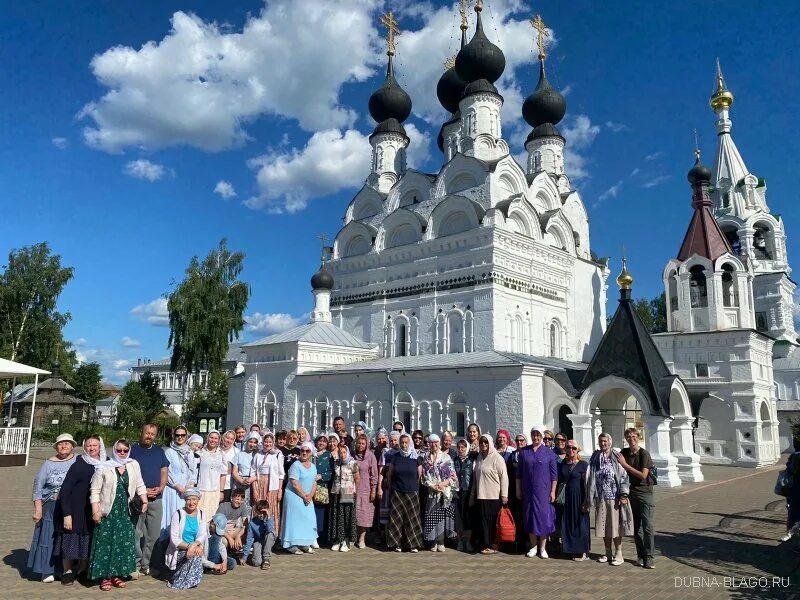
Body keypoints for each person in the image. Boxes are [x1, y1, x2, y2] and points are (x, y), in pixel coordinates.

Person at [89, 439, 148, 591]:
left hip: (125, 512)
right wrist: (95, 511)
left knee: (122, 543)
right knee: (106, 544)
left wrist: (144, 500)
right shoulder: (104, 467)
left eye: (125, 450)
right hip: (108, 511)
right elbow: (95, 491)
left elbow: (140, 483)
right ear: (114, 450)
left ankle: (117, 574)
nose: (122, 453)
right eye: (119, 450)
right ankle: (105, 577)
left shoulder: (133, 464)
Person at [29, 433, 77, 583]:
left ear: (72, 446)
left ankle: (66, 569)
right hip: (51, 504)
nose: (64, 446)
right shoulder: (48, 463)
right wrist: (38, 509)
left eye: (67, 443)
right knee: (48, 536)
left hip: (71, 505)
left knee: (67, 537)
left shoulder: (78, 460)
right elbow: (38, 486)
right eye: (61, 444)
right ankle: (46, 570)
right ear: (56, 447)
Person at [56, 435, 103, 585]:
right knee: (71, 541)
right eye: (89, 445)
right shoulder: (79, 464)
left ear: (100, 446)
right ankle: (67, 571)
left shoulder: (106, 464)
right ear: (84, 447)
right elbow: (65, 490)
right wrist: (67, 514)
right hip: (77, 510)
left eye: (95, 445)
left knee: (87, 542)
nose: (92, 448)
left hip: (94, 511)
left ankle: (83, 570)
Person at [586, 432, 633, 565]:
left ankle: (619, 553)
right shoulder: (596, 457)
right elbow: (590, 476)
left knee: (615, 526)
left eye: (605, 441)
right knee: (603, 526)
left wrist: (624, 494)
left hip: (614, 497)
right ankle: (607, 552)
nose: (603, 444)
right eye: (601, 441)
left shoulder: (616, 456)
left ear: (610, 442)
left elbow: (624, 475)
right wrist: (589, 496)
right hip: (600, 497)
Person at [129, 423, 169, 576]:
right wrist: (142, 491)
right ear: (142, 432)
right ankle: (136, 563)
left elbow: (164, 470)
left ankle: (148, 563)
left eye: (152, 434)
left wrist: (161, 487)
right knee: (136, 533)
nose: (149, 436)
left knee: (153, 534)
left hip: (156, 498)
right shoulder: (132, 451)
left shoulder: (159, 451)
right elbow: (127, 475)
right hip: (138, 499)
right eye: (147, 432)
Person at [517, 425, 558, 559]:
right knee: (530, 517)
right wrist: (518, 489)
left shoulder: (549, 453)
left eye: (538, 435)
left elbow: (554, 476)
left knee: (543, 517)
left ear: (541, 437)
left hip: (543, 491)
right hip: (528, 491)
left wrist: (552, 492)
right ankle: (533, 546)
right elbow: (519, 474)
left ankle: (543, 547)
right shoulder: (524, 452)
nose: (535, 437)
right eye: (533, 435)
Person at [618, 427, 655, 569]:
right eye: (629, 437)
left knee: (648, 527)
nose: (631, 439)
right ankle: (641, 555)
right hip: (631, 493)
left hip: (645, 493)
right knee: (636, 527)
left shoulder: (644, 454)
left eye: (634, 436)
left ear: (638, 437)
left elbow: (643, 475)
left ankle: (650, 557)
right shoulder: (625, 452)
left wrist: (625, 465)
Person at [386, 432, 423, 553]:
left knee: (412, 519)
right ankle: (397, 544)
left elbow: (419, 475)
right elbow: (390, 474)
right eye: (402, 442)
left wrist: (414, 486)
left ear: (409, 443)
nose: (404, 444)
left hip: (412, 491)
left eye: (406, 442)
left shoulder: (415, 457)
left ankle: (412, 545)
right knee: (397, 519)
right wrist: (391, 487)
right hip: (397, 491)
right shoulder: (395, 457)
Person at [471, 434, 508, 555]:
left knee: (492, 521)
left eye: (486, 442)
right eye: (481, 442)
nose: (483, 445)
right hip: (481, 495)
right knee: (483, 521)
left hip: (493, 496)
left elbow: (504, 477)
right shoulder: (479, 458)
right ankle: (485, 543)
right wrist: (473, 494)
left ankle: (493, 544)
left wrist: (504, 495)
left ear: (490, 443)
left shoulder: (497, 458)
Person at [421, 433, 457, 552]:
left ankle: (441, 541)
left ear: (439, 443)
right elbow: (424, 476)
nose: (434, 444)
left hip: (443, 492)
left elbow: (453, 476)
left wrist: (443, 484)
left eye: (436, 442)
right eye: (431, 442)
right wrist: (432, 485)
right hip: (432, 491)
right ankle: (433, 541)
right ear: (429, 444)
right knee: (432, 516)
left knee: (441, 516)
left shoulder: (446, 457)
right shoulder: (426, 458)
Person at [165, 488, 206, 589]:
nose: (191, 502)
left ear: (198, 500)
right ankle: (181, 580)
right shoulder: (178, 514)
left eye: (194, 499)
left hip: (194, 547)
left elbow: (202, 534)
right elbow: (174, 539)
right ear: (185, 500)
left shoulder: (201, 514)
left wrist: (195, 545)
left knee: (196, 553)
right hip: (179, 549)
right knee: (193, 555)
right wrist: (189, 546)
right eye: (189, 499)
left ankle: (191, 580)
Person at [281, 441, 318, 554]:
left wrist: (310, 496)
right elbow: (294, 483)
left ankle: (305, 543)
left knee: (307, 520)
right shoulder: (295, 465)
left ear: (311, 453)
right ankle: (291, 545)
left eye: (307, 451)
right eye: (302, 450)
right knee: (294, 521)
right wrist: (304, 496)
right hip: (294, 497)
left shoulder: (313, 467)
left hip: (307, 498)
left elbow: (314, 482)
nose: (304, 452)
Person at [558, 440, 590, 561]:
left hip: (579, 497)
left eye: (573, 448)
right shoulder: (563, 463)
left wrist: (586, 501)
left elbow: (588, 484)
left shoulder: (583, 464)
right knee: (568, 523)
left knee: (580, 524)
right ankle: (571, 549)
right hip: (567, 498)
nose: (571, 450)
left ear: (578, 450)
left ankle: (582, 552)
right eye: (568, 447)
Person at [251, 431, 285, 539]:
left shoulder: (277, 454)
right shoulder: (258, 454)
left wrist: (280, 489)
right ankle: (257, 535)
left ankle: (271, 536)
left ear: (273, 442)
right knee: (259, 507)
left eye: (270, 442)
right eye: (266, 442)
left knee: (270, 509)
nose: (268, 444)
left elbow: (281, 473)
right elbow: (253, 472)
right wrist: (255, 489)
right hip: (260, 483)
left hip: (272, 485)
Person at [162, 427, 193, 539]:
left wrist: (190, 485)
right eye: (177, 435)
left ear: (186, 436)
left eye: (183, 435)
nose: (180, 437)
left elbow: (193, 470)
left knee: (183, 516)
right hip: (173, 489)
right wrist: (177, 486)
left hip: (186, 488)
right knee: (172, 514)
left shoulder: (190, 452)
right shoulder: (169, 452)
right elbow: (167, 472)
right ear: (174, 436)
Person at [328, 442, 359, 551]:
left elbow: (357, 478)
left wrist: (355, 491)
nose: (342, 455)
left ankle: (345, 540)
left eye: (344, 452)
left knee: (346, 516)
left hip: (348, 492)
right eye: (340, 452)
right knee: (336, 516)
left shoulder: (352, 463)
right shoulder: (337, 463)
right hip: (336, 492)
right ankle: (337, 539)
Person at [353, 433, 377, 548]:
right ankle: (354, 537)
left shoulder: (370, 456)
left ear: (367, 444)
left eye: (363, 443)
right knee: (354, 513)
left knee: (363, 514)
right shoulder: (352, 456)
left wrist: (374, 490)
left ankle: (362, 538)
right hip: (352, 488)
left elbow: (374, 474)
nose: (361, 445)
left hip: (365, 488)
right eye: (359, 443)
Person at [197, 431, 228, 522]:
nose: (213, 440)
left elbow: (223, 474)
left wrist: (221, 491)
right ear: (207, 438)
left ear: (219, 440)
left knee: (212, 516)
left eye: (215, 438)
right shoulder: (200, 452)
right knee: (200, 515)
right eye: (211, 437)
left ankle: (210, 535)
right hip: (201, 489)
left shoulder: (221, 454)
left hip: (214, 490)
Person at [212, 488, 249, 564]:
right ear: (231, 498)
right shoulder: (223, 506)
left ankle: (234, 551)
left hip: (232, 530)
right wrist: (229, 538)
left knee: (247, 534)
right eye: (237, 498)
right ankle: (223, 556)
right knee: (225, 542)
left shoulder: (243, 507)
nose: (239, 501)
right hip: (221, 531)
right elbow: (217, 525)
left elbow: (245, 525)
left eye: (241, 499)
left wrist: (238, 536)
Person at [452, 439, 475, 551]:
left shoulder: (472, 460)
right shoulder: (454, 460)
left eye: (463, 447)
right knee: (459, 517)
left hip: (468, 491)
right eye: (459, 447)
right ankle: (460, 540)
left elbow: (474, 477)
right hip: (458, 492)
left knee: (468, 517)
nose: (461, 450)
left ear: (467, 448)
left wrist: (472, 493)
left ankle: (468, 541)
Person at [312, 434, 333, 547]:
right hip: (310, 487)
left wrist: (322, 476)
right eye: (320, 441)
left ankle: (322, 537)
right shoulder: (311, 454)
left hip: (322, 487)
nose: (321, 443)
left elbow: (331, 472)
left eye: (324, 442)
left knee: (321, 512)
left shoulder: (328, 455)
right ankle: (312, 536)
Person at [232, 432, 260, 508]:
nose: (252, 444)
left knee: (249, 506)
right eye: (250, 442)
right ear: (247, 441)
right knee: (238, 504)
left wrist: (251, 479)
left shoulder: (258, 455)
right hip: (239, 482)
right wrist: (241, 481)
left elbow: (260, 472)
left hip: (253, 483)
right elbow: (234, 472)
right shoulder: (239, 454)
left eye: (255, 443)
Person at [247, 500, 276, 569]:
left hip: (268, 539)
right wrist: (244, 556)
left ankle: (266, 558)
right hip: (258, 541)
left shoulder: (269, 518)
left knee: (270, 533)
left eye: (264, 512)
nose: (261, 515)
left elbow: (269, 529)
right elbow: (249, 539)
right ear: (256, 511)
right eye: (259, 512)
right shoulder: (252, 522)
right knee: (256, 563)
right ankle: (260, 553)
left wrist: (268, 517)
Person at [219, 430, 239, 502]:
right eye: (227, 438)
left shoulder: (236, 451)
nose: (229, 440)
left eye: (231, 439)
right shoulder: (217, 449)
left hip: (229, 484)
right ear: (223, 437)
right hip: (215, 483)